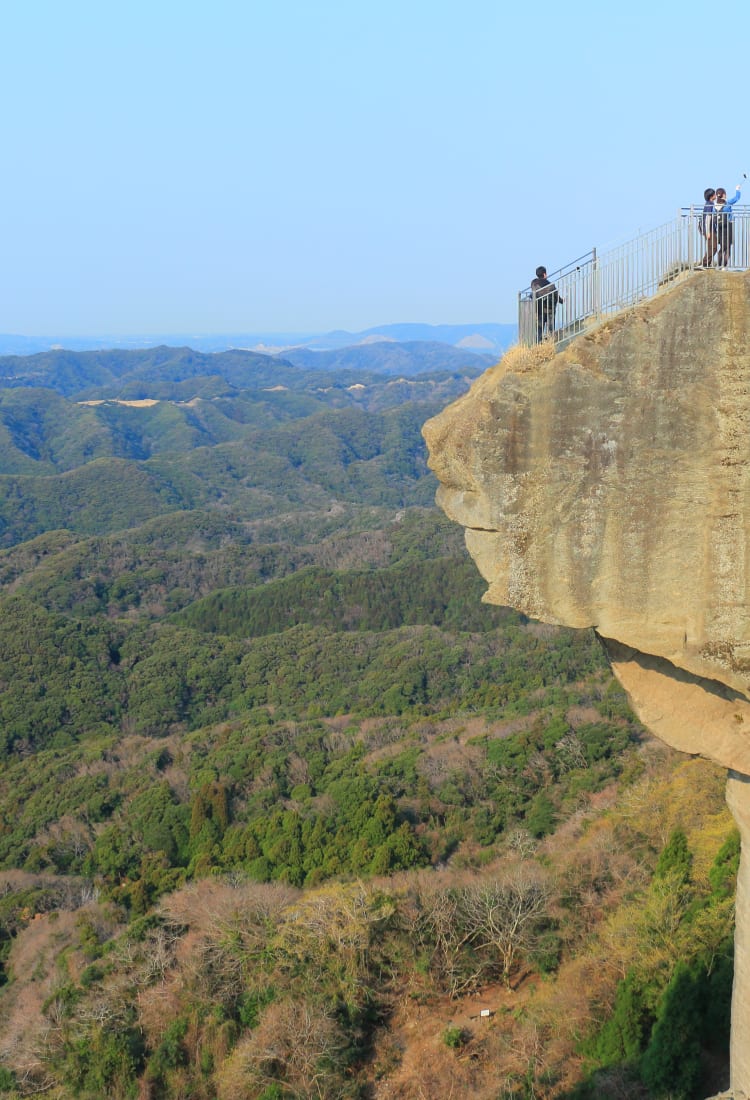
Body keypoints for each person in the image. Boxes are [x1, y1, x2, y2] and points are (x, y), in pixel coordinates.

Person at [530, 266, 563, 342]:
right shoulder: (551, 285)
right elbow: (556, 296)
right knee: (550, 328)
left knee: (539, 329)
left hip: (538, 309)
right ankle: (550, 343)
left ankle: (538, 344)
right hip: (549, 310)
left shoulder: (533, 283)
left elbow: (537, 292)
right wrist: (562, 301)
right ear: (544, 274)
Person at [715, 183, 742, 268]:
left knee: (722, 247)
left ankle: (719, 266)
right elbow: (736, 198)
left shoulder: (714, 206)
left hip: (719, 228)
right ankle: (724, 267)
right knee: (727, 248)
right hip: (728, 226)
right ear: (723, 195)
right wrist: (737, 189)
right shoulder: (727, 203)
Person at [699, 188, 718, 267]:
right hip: (708, 228)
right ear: (711, 196)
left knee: (711, 247)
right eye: (714, 194)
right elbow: (708, 218)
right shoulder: (710, 204)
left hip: (708, 228)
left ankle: (706, 263)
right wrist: (707, 232)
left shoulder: (709, 203)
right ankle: (704, 264)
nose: (716, 195)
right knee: (713, 247)